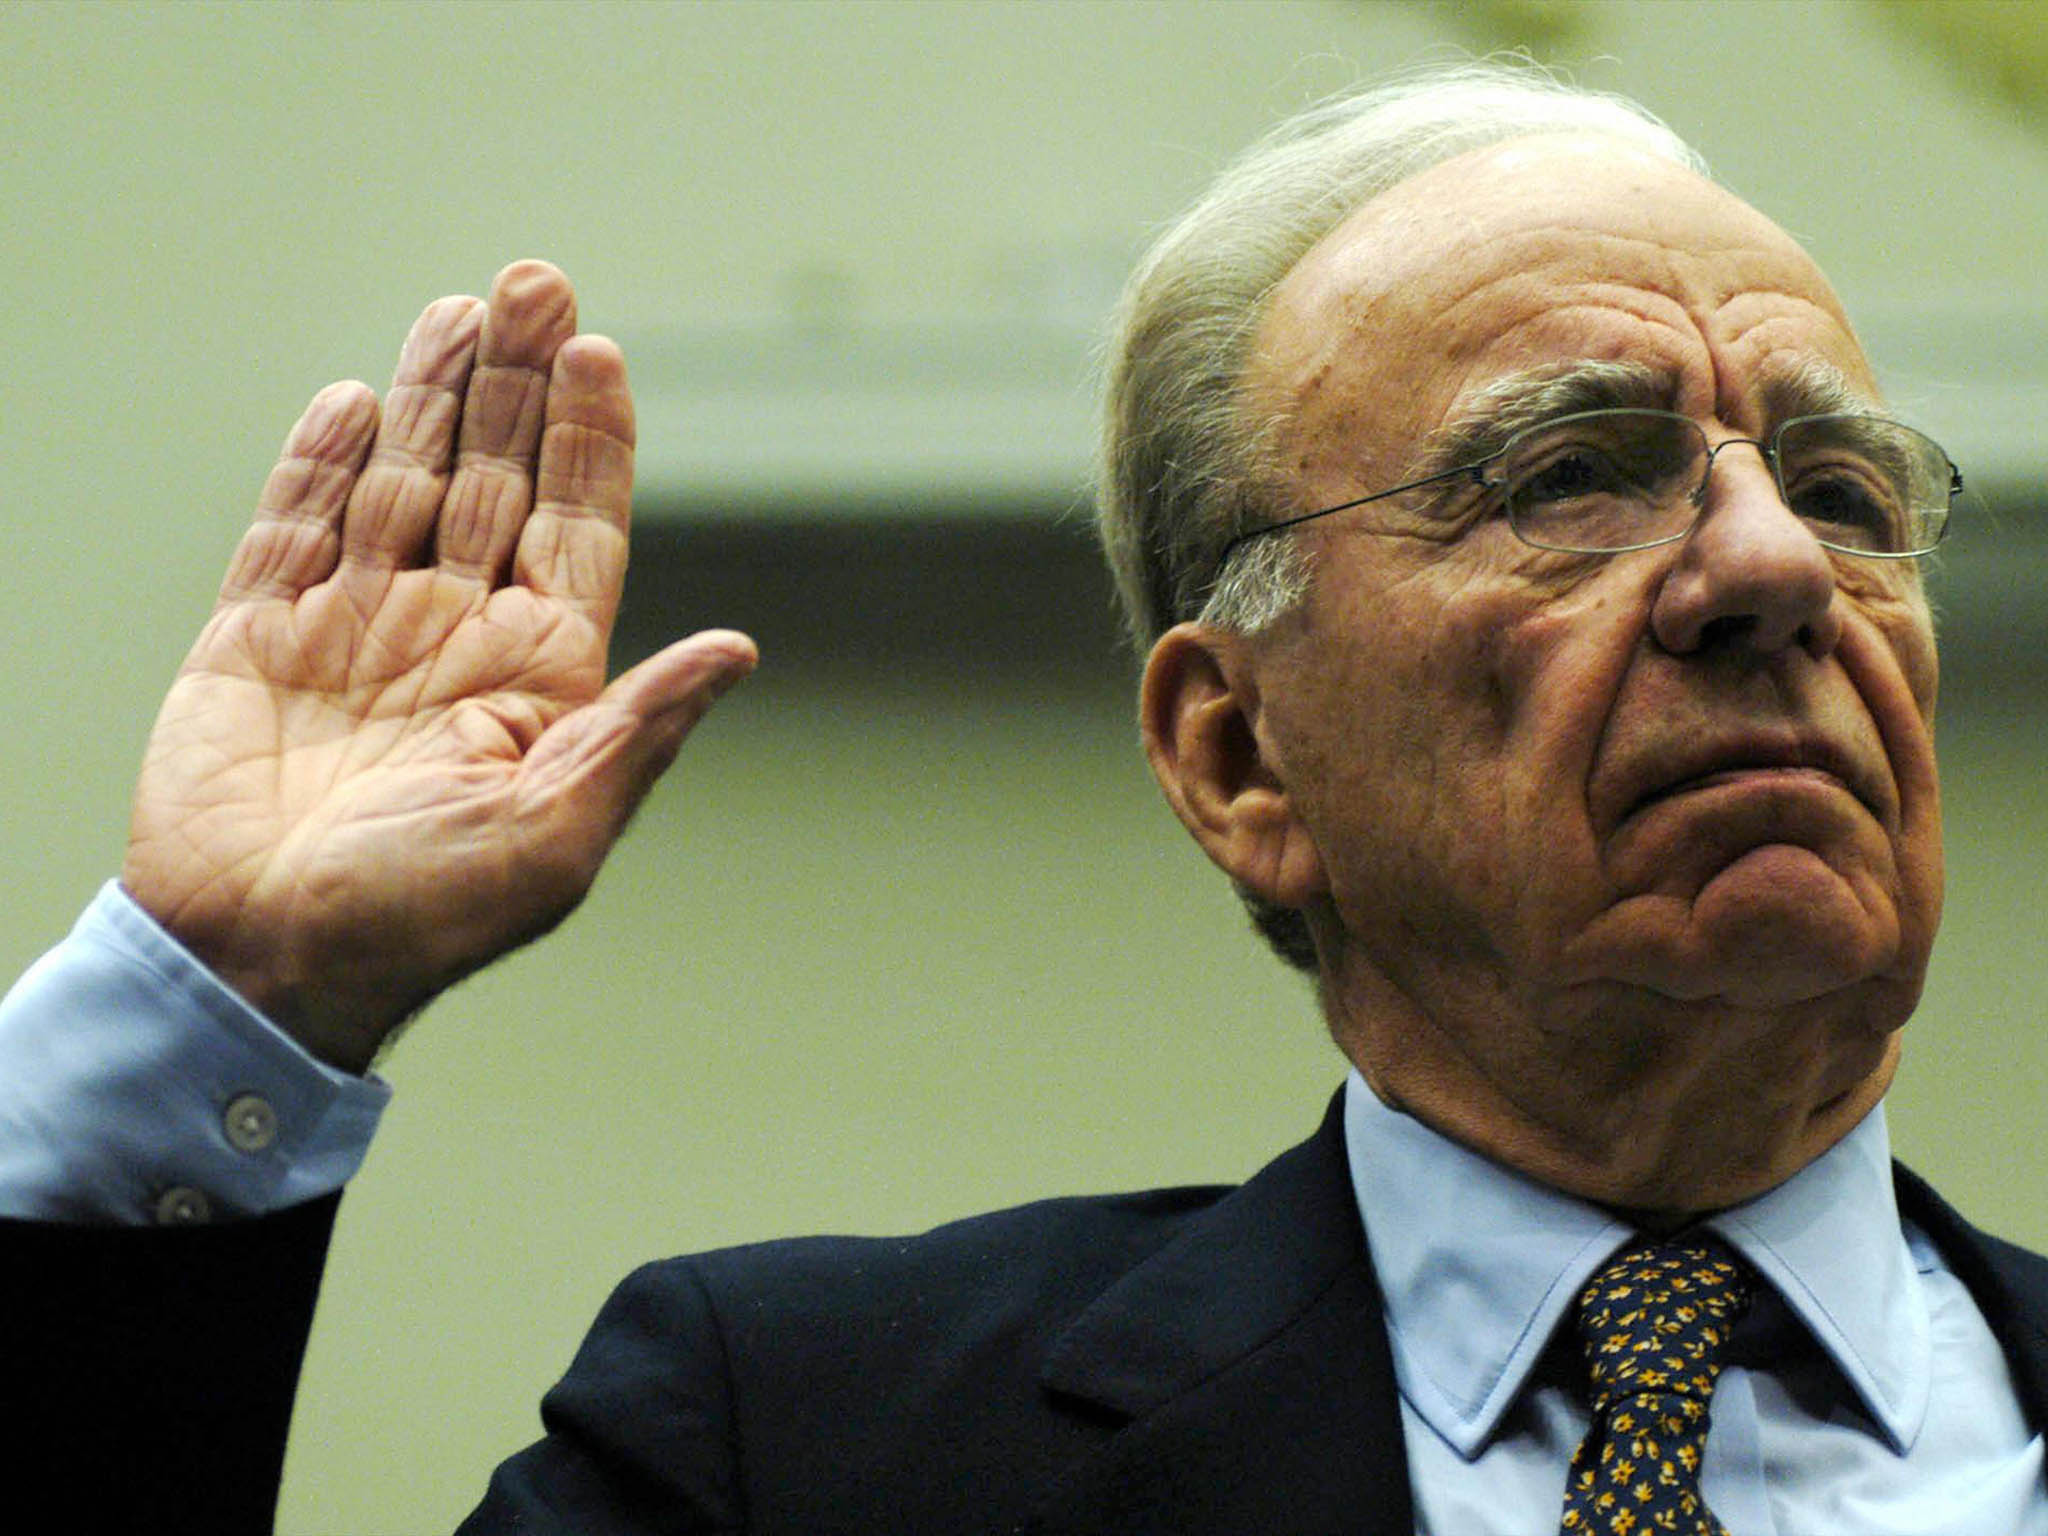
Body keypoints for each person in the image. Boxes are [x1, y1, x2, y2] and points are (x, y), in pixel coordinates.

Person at [2, 62, 2044, 1535]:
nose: (1776, 568)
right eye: (1569, 476)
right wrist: (226, 1013)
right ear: (1237, 755)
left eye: (1845, 489)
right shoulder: (799, 1453)